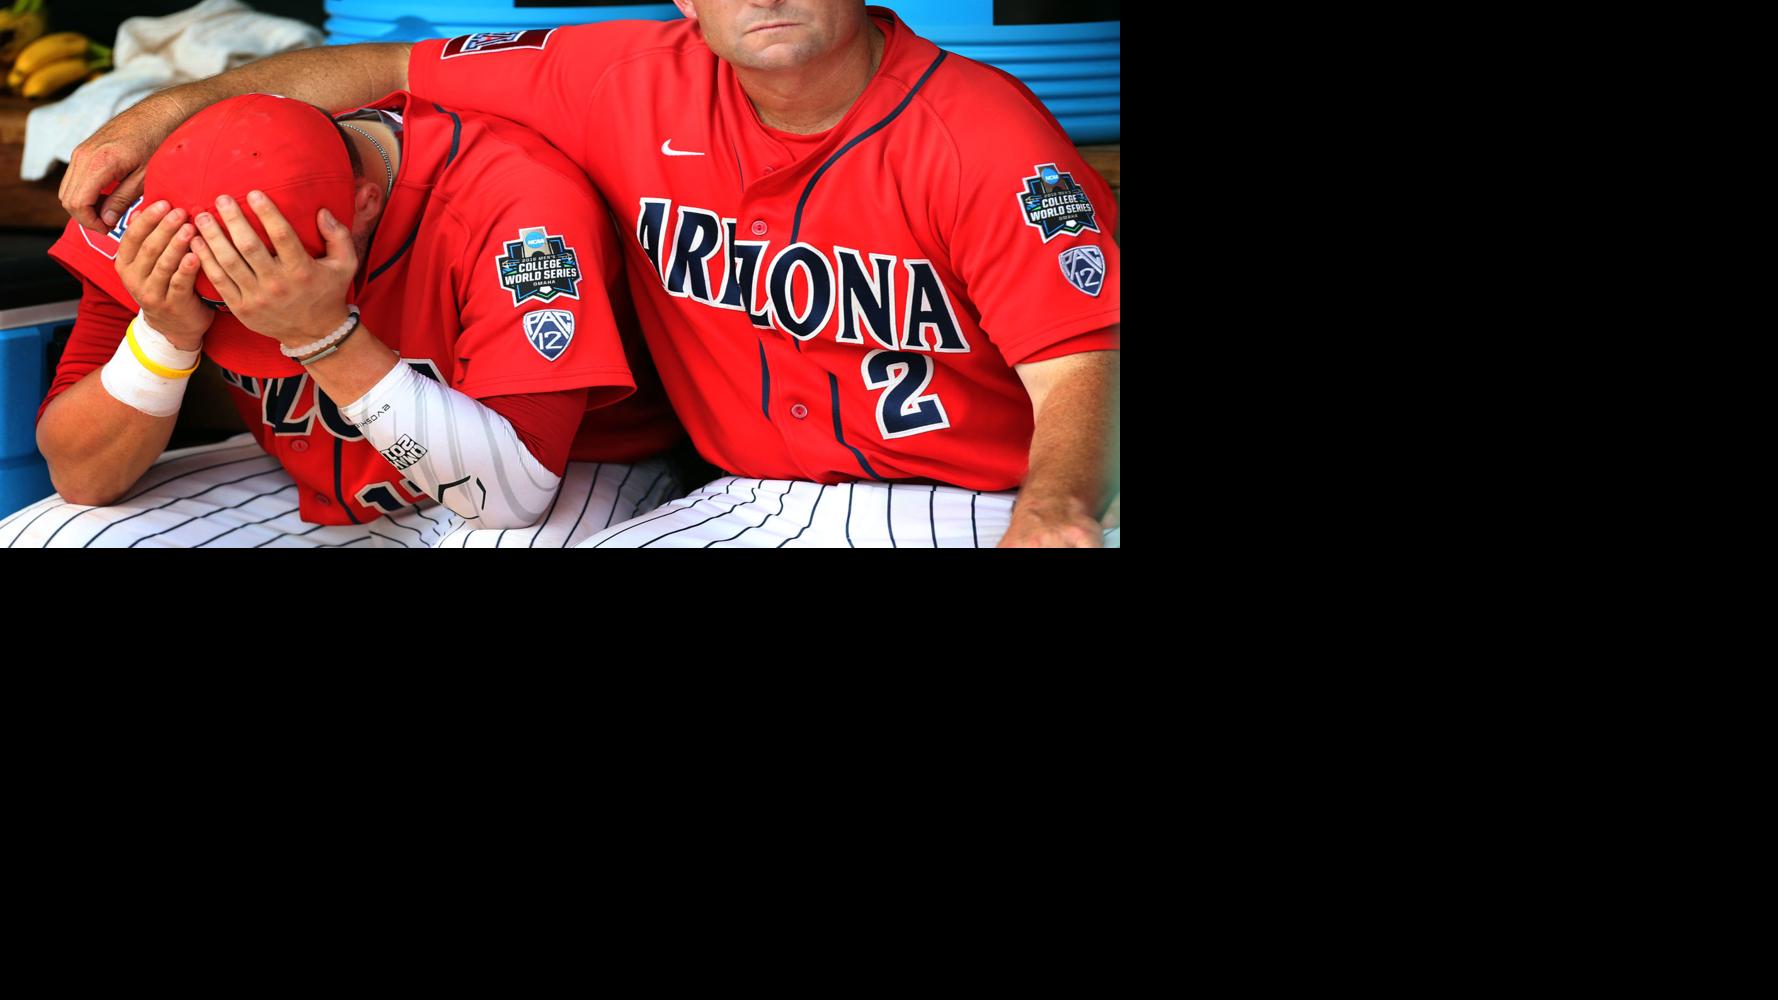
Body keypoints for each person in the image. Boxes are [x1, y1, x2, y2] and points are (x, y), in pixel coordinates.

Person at [55, 1, 1119, 548]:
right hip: (744, 496)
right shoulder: (617, 80)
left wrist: (1058, 508)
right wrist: (160, 114)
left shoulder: (983, 132)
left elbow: (1080, 360)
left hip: (960, 498)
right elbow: (382, 67)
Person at [4, 91, 683, 547]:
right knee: (48, 536)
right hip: (319, 478)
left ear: (360, 206)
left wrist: (318, 335)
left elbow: (515, 495)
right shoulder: (152, 218)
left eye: (268, 284)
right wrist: (166, 331)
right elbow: (83, 478)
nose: (251, 307)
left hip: (551, 473)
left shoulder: (514, 203)